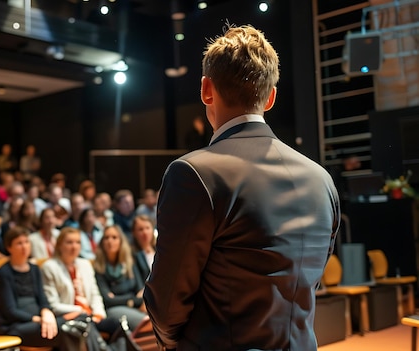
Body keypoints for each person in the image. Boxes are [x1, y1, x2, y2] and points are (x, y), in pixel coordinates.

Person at [144, 24, 340, 351]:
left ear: (207, 89)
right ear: (271, 97)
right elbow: (309, 283)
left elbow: (166, 303)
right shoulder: (321, 179)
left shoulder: (193, 173)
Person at [0, 226, 80, 350]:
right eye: (19, 243)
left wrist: (46, 313)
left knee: (80, 321)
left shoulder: (34, 269)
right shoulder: (4, 272)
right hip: (15, 325)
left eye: (26, 242)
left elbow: (42, 299)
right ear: (9, 247)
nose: (24, 247)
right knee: (68, 329)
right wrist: (38, 319)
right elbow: (9, 311)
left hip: (40, 321)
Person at [40, 227, 118, 336]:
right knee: (87, 327)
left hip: (90, 315)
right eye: (69, 242)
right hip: (70, 316)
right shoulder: (50, 267)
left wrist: (99, 314)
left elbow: (94, 295)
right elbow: (53, 304)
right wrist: (81, 310)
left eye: (78, 242)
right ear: (59, 245)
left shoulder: (85, 264)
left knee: (117, 324)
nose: (74, 246)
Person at [93, 225, 147, 330]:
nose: (110, 241)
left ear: (121, 241)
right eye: (106, 238)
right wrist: (132, 299)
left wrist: (129, 300)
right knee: (146, 322)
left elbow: (141, 290)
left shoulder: (129, 262)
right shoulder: (98, 267)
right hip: (113, 310)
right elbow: (107, 300)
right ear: (102, 242)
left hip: (136, 307)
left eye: (114, 237)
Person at [130, 215, 156, 283]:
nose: (145, 232)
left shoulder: (160, 249)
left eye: (147, 228)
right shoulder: (132, 254)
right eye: (140, 229)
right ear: (134, 233)